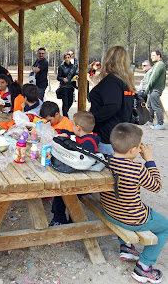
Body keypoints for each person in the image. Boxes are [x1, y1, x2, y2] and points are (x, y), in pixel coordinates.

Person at [101, 123, 167, 284]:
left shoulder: (107, 161)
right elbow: (157, 186)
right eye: (139, 148)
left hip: (109, 212)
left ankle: (126, 247)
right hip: (132, 219)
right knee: (165, 227)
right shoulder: (137, 169)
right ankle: (143, 267)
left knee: (123, 202)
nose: (140, 150)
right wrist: (149, 161)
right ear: (132, 150)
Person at [49, 111, 100, 226]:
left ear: (78, 127)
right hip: (78, 175)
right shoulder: (86, 136)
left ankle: (61, 220)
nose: (72, 127)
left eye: (73, 125)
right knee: (62, 193)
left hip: (84, 179)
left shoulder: (89, 142)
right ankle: (67, 220)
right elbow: (70, 133)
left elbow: (80, 150)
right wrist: (62, 132)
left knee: (61, 193)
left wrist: (69, 141)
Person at [89, 46, 135, 155]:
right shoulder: (125, 81)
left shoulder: (112, 81)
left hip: (107, 135)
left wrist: (92, 119)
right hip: (121, 133)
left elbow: (113, 105)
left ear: (109, 60)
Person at [145, 51, 166, 130]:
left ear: (158, 56)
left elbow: (152, 78)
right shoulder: (157, 64)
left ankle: (160, 124)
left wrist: (146, 90)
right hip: (153, 89)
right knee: (150, 105)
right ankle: (150, 121)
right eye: (151, 56)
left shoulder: (159, 65)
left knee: (156, 106)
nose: (152, 57)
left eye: (153, 55)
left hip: (156, 89)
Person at [57, 52, 78, 118]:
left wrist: (76, 77)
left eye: (68, 57)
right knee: (65, 102)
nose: (67, 59)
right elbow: (58, 77)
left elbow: (75, 74)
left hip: (71, 86)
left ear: (70, 58)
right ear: (64, 58)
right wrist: (63, 79)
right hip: (64, 87)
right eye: (65, 58)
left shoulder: (73, 67)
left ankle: (65, 113)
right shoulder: (61, 67)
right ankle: (65, 116)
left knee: (70, 101)